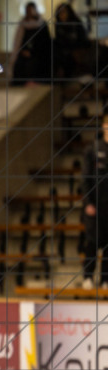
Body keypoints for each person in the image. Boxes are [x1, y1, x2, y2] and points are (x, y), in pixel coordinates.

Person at [81, 114, 108, 290]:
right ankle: (87, 277)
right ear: (104, 126)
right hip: (95, 204)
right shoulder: (93, 150)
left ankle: (105, 279)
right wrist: (88, 202)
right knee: (92, 241)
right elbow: (85, 178)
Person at [10, 2, 53, 86]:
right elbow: (19, 41)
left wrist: (33, 52)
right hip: (24, 52)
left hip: (39, 53)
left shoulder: (42, 25)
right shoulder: (22, 25)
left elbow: (45, 42)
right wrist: (23, 50)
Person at [53, 3, 92, 79]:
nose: (62, 15)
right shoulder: (58, 25)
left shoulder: (75, 23)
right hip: (63, 52)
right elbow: (58, 41)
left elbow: (82, 40)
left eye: (64, 12)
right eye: (60, 13)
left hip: (76, 50)